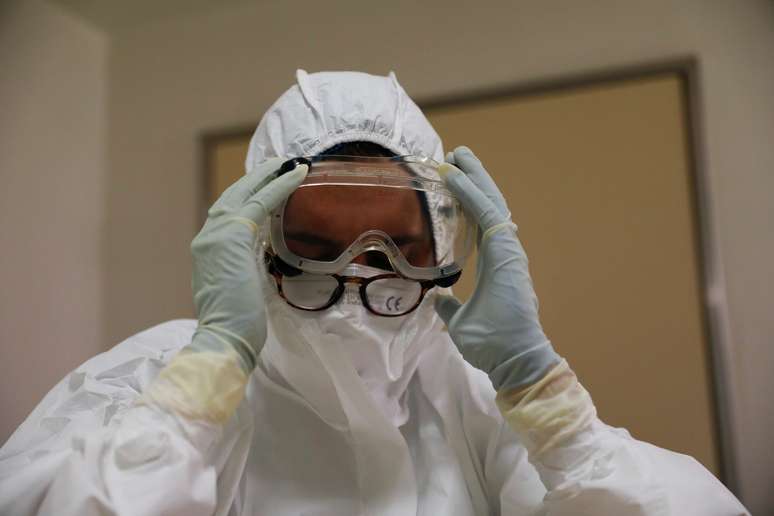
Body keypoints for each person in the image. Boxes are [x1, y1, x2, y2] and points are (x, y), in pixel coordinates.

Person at [0, 70, 748, 516]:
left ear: (441, 248)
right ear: (258, 246)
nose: (360, 279)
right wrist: (202, 388)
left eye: (398, 249)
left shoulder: (474, 392)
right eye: (317, 251)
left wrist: (550, 407)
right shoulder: (162, 379)